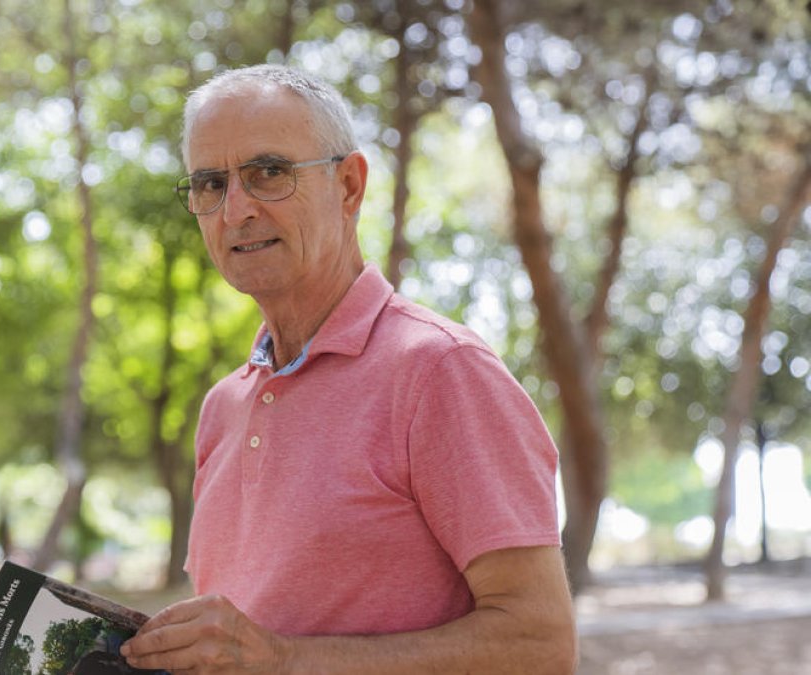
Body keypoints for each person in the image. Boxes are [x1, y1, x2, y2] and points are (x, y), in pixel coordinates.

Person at [120, 64, 577, 674]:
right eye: (210, 183)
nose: (235, 211)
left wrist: (284, 661)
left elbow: (541, 647)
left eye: (268, 173)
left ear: (348, 186)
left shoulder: (442, 371)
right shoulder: (222, 407)